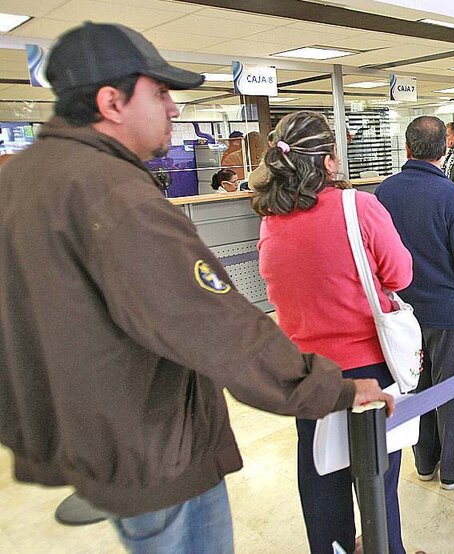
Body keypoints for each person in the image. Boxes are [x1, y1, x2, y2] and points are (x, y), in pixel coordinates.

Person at [0, 22, 393, 554]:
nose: (174, 108)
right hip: (153, 448)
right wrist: (336, 389)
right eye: (160, 93)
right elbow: (217, 327)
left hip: (89, 442)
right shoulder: (116, 200)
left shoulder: (18, 183)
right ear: (111, 101)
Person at [254, 111, 413, 554]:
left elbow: (278, 290)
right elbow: (400, 274)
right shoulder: (357, 206)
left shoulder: (271, 221)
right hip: (369, 368)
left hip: (307, 373)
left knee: (321, 476)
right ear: (327, 161)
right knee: (377, 477)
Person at [376, 116, 454, 490]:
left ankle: (425, 459)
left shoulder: (383, 194)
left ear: (407, 149)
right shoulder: (452, 197)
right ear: (444, 149)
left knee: (417, 385)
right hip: (448, 313)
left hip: (402, 313)